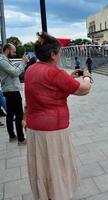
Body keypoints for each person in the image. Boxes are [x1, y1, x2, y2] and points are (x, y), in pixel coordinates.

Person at [24, 32, 92, 200]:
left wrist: (68, 78)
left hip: (34, 128)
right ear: (53, 54)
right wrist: (87, 77)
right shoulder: (55, 73)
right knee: (55, 167)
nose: (60, 55)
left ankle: (45, 195)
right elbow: (84, 90)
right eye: (59, 52)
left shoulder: (31, 69)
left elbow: (48, 89)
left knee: (42, 167)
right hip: (53, 131)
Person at [0, 43, 29, 144]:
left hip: (9, 90)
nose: (15, 53)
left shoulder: (4, 59)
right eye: (13, 51)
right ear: (7, 49)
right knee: (19, 115)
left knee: (10, 114)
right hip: (11, 90)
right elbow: (15, 73)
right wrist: (23, 62)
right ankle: (21, 139)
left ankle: (12, 136)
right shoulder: (2, 60)